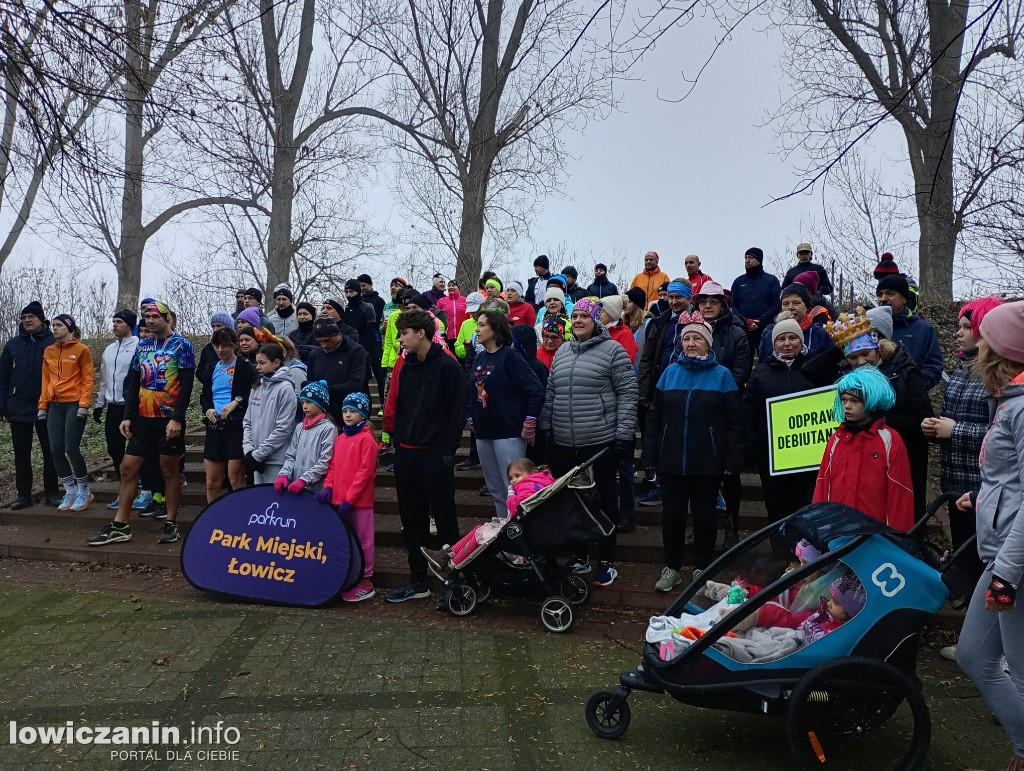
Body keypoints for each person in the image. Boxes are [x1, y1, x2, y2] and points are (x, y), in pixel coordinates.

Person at [952, 300, 1024, 771]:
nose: (975, 345)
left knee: (1020, 670)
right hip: (1002, 555)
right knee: (974, 657)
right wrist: (983, 498)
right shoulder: (1009, 401)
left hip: (1013, 566)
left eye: (984, 339)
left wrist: (1008, 574)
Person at [540, 298, 638, 587]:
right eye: (576, 316)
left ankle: (607, 560)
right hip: (564, 443)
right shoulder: (562, 353)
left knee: (604, 502)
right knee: (571, 503)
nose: (579, 320)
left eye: (585, 316)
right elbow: (551, 393)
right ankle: (580, 555)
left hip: (600, 440)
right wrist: (546, 427)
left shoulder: (613, 351)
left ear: (597, 320)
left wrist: (623, 433)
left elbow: (628, 394)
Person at [643, 311, 743, 590]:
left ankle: (702, 568)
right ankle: (671, 568)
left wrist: (732, 459)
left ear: (707, 343)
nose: (690, 343)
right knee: (672, 517)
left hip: (707, 462)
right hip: (671, 461)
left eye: (697, 338)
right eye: (686, 338)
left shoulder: (722, 376)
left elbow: (735, 421)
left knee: (704, 518)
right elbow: (654, 418)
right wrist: (650, 456)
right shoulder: (669, 373)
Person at [804, 306, 934, 516]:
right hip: (862, 458)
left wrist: (876, 421)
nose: (861, 362)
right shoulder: (852, 372)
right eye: (854, 358)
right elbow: (810, 371)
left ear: (879, 348)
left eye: (865, 354)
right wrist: (845, 343)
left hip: (900, 455)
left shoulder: (904, 371)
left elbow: (922, 418)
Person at [87, 301, 195, 546]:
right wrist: (127, 415)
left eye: (155, 316)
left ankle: (170, 521)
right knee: (128, 467)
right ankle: (120, 525)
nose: (150, 320)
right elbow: (134, 383)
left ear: (167, 318)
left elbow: (187, 385)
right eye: (146, 317)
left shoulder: (182, 345)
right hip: (143, 418)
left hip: (168, 418)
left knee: (169, 470)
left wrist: (178, 417)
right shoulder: (143, 345)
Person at [923, 295, 1003, 606]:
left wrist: (955, 430)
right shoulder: (961, 370)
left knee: (985, 557)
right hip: (955, 482)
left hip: (985, 486)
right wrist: (936, 429)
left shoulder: (1000, 375)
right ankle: (967, 604)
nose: (959, 333)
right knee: (965, 550)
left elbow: (1004, 435)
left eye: (967, 327)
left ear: (987, 329)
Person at [384, 309, 466, 602]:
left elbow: (456, 413)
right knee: (412, 520)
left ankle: (455, 579)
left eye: (404, 333)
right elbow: (402, 407)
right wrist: (399, 441)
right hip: (407, 453)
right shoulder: (406, 367)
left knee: (445, 520)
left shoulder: (448, 367)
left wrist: (448, 452)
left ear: (421, 333)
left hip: (435, 455)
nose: (400, 339)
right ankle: (416, 579)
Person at [743, 314, 816, 556]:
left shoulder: (814, 367)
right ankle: (782, 556)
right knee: (776, 507)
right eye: (781, 338)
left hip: (807, 455)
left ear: (801, 340)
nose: (787, 343)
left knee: (805, 506)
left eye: (793, 338)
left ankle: (806, 556)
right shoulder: (762, 371)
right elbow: (749, 411)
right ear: (773, 342)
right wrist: (752, 448)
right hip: (772, 456)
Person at [813, 367, 914, 531]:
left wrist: (898, 539)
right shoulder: (836, 439)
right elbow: (822, 486)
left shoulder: (890, 440)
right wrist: (817, 530)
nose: (847, 406)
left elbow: (901, 494)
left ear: (871, 400)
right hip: (838, 532)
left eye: (855, 401)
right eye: (844, 400)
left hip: (875, 534)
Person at [469, 310, 545, 518]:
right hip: (484, 433)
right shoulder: (480, 358)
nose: (477, 329)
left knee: (514, 489)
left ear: (496, 328)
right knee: (496, 489)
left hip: (508, 432)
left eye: (483, 325)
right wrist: (471, 416)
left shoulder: (511, 357)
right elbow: (472, 390)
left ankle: (522, 536)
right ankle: (505, 533)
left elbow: (536, 390)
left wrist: (530, 420)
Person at [421, 458, 555, 576]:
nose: (513, 481)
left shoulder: (529, 486)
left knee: (481, 534)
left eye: (517, 476)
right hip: (525, 526)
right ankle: (445, 556)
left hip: (522, 530)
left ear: (530, 473)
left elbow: (516, 508)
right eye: (511, 478)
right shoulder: (538, 482)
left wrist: (511, 495)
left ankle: (453, 566)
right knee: (480, 528)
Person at [693, 281, 752, 548]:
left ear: (723, 304)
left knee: (730, 476)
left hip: (727, 411)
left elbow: (741, 372)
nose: (707, 305)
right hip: (697, 412)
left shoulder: (737, 334)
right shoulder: (691, 331)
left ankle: (731, 527)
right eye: (703, 300)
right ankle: (701, 528)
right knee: (700, 475)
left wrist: (714, 391)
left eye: (713, 301)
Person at [635, 280, 693, 506]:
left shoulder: (698, 321)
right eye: (671, 297)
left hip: (688, 390)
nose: (675, 301)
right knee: (659, 438)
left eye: (679, 297)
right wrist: (643, 392)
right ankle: (660, 485)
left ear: (689, 297)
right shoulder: (659, 322)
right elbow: (647, 358)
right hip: (660, 389)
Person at [316, 391, 377, 602]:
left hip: (359, 502)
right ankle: (350, 575)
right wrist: (329, 487)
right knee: (346, 539)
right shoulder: (341, 438)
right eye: (345, 411)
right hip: (339, 500)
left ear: (363, 414)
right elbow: (333, 467)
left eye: (353, 411)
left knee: (364, 539)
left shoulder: (367, 440)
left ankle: (366, 579)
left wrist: (350, 498)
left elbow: (364, 473)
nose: (348, 415)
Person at [0, 301, 60, 508]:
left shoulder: (54, 342)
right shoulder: (12, 345)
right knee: (21, 455)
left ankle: (52, 493)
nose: (27, 320)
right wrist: (3, 404)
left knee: (50, 451)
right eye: (24, 318)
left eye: (31, 317)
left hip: (49, 406)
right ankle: (23, 496)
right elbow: (3, 376)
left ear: (41, 320)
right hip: (19, 406)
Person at [39, 314, 95, 511]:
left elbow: (88, 378)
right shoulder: (49, 351)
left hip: (74, 403)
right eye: (53, 325)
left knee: (71, 448)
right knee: (55, 450)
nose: (54, 328)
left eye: (59, 325)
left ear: (69, 328)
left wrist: (84, 404)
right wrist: (42, 405)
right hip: (54, 405)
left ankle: (84, 490)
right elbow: (45, 380)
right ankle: (70, 490)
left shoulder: (82, 349)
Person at [199, 328, 257, 502]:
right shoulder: (211, 367)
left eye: (225, 346)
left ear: (234, 345)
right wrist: (208, 408)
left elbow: (257, 391)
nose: (220, 350)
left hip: (236, 426)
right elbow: (205, 396)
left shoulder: (244, 365)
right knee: (212, 482)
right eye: (217, 346)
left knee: (235, 478)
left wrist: (237, 401)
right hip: (215, 426)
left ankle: (241, 518)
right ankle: (213, 519)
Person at [92, 309, 139, 511]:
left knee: (137, 451)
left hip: (132, 407)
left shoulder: (139, 345)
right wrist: (99, 404)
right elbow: (104, 379)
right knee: (115, 450)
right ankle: (124, 491)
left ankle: (143, 490)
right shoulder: (109, 349)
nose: (114, 325)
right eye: (113, 322)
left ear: (129, 324)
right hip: (113, 406)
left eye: (119, 322)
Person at [242, 342, 298, 484]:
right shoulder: (257, 387)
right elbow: (247, 422)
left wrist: (259, 455)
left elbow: (284, 428)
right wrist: (249, 451)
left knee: (276, 504)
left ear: (276, 363)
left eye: (262, 363)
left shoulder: (285, 389)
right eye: (257, 363)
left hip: (276, 460)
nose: (258, 367)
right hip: (256, 459)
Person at [876, 274, 944, 389]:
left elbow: (933, 368)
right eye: (879, 294)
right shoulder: (868, 327)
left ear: (905, 299)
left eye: (890, 293)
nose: (883, 298)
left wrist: (912, 386)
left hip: (910, 402)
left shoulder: (924, 330)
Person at [274, 380, 337, 495]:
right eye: (302, 403)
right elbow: (291, 455)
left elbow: (325, 461)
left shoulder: (329, 429)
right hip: (295, 487)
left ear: (320, 404)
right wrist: (284, 474)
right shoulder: (300, 427)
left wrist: (304, 480)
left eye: (309, 402)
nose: (304, 406)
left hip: (316, 490)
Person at [306, 316, 368, 426]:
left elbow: (355, 384)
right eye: (320, 341)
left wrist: (325, 389)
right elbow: (310, 382)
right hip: (320, 414)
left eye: (327, 340)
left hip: (346, 414)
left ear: (337, 334)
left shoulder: (356, 351)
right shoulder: (315, 354)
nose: (324, 345)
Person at [757, 284, 835, 359]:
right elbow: (763, 367)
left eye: (796, 303)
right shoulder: (770, 334)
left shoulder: (820, 334)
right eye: (785, 304)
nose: (790, 307)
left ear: (807, 307)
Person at [730, 247, 782, 357]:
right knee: (743, 364)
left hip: (765, 329)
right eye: (745, 257)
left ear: (759, 260)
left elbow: (777, 305)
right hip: (743, 330)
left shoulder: (771, 280)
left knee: (767, 362)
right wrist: (746, 321)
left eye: (751, 257)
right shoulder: (738, 281)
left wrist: (759, 321)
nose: (747, 260)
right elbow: (733, 306)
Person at [598, 294, 638, 364]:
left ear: (611, 315)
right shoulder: (598, 331)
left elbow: (627, 362)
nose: (598, 314)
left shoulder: (625, 335)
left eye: (601, 312)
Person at [454, 291, 485, 362]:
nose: (473, 313)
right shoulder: (465, 324)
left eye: (476, 310)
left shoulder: (492, 321)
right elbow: (457, 348)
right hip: (471, 364)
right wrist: (465, 348)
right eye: (471, 311)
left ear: (483, 305)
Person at [437, 280, 469, 344]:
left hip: (462, 336)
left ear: (458, 288)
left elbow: (470, 317)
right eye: (449, 286)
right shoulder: (442, 301)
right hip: (447, 337)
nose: (451, 287)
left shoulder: (465, 300)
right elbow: (437, 318)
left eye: (453, 285)